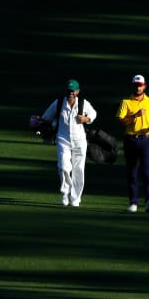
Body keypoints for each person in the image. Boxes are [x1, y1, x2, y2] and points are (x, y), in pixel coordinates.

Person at [39, 79, 98, 207]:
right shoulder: (59, 103)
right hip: (63, 139)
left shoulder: (83, 103)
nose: (70, 93)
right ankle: (65, 193)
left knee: (79, 170)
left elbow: (94, 114)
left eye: (73, 91)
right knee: (63, 167)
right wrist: (40, 123)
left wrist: (86, 119)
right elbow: (46, 117)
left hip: (80, 141)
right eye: (68, 91)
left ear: (77, 91)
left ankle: (76, 198)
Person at [117, 74, 149, 213]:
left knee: (147, 172)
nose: (138, 87)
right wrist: (135, 116)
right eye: (136, 85)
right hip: (130, 139)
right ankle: (133, 202)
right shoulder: (126, 102)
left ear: (144, 86)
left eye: (140, 85)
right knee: (132, 173)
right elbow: (122, 121)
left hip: (145, 139)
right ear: (133, 86)